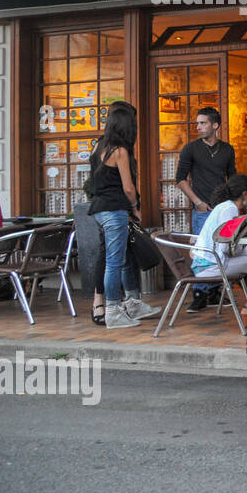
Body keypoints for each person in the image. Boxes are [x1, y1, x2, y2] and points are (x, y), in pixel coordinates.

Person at [87, 104, 161, 328]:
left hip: (99, 208)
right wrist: (135, 207)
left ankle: (131, 302)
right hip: (115, 209)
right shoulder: (119, 151)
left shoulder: (98, 146)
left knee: (123, 257)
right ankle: (113, 310)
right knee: (115, 261)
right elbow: (128, 187)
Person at [190, 174, 247, 323]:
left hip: (210, 260)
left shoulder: (227, 206)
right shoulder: (229, 209)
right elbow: (225, 247)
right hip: (211, 265)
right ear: (244, 194)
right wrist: (245, 246)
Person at [176, 107, 236, 312]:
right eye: (198, 123)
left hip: (222, 209)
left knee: (221, 248)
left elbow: (232, 179)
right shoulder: (190, 149)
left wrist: (233, 206)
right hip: (202, 209)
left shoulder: (227, 150)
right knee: (201, 250)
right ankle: (199, 294)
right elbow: (180, 179)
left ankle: (214, 293)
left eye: (202, 123)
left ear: (215, 125)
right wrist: (197, 202)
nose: (198, 127)